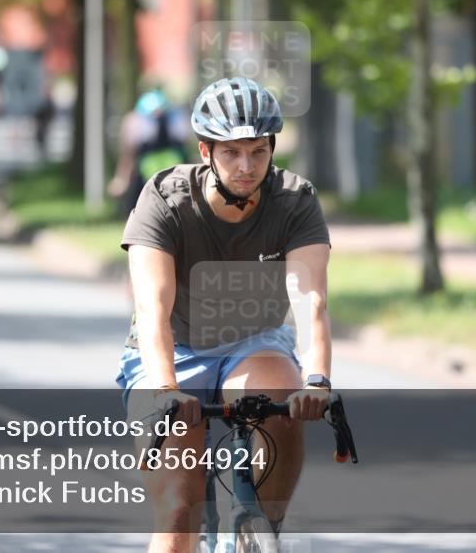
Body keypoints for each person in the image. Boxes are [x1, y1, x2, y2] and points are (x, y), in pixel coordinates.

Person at [115, 77, 333, 552]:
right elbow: (153, 308)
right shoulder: (165, 200)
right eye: (232, 152)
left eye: (258, 151)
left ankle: (259, 533)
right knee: (178, 510)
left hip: (251, 345)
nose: (246, 166)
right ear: (206, 150)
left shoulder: (295, 200)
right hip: (171, 350)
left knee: (281, 398)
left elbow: (309, 298)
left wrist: (316, 381)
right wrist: (167, 389)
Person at [108, 89, 189, 217]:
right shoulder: (176, 119)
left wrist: (121, 179)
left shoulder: (135, 121)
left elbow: (128, 155)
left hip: (153, 175)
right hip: (169, 174)